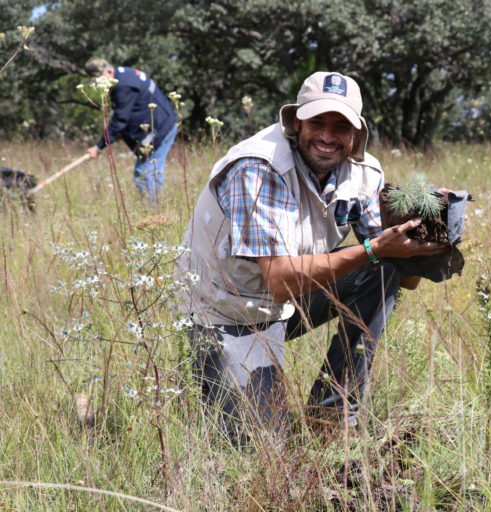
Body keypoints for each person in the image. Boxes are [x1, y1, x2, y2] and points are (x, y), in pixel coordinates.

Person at [178, 71, 447, 442]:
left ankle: (333, 413)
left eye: (340, 126)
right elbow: (280, 281)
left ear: (357, 133)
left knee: (382, 270)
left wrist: (423, 222)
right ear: (296, 122)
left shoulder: (364, 173)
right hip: (226, 313)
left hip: (285, 304)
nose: (327, 136)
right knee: (261, 448)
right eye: (317, 121)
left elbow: (406, 277)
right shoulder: (259, 167)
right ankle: (209, 376)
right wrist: (372, 248)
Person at [84, 57, 177, 207]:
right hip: (157, 126)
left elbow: (120, 121)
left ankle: (154, 212)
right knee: (150, 172)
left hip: (161, 128)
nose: (100, 84)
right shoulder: (122, 75)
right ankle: (155, 208)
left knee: (144, 173)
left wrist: (98, 146)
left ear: (108, 71)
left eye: (100, 78)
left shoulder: (124, 86)